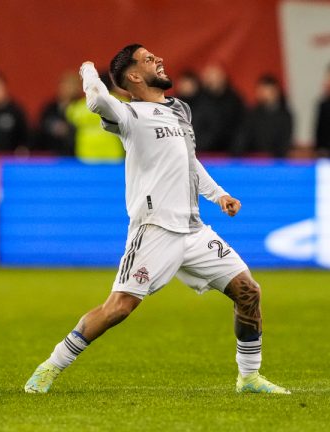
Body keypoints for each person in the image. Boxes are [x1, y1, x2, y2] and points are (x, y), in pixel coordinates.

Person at [24, 44, 290, 395]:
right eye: (149, 59)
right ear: (134, 76)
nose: (159, 60)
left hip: (193, 230)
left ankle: (249, 377)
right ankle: (50, 367)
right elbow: (97, 101)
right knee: (118, 308)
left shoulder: (180, 110)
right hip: (155, 230)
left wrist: (219, 195)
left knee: (249, 291)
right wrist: (89, 69)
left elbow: (189, 161)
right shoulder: (131, 116)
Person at [65, 71, 125, 162]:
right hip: (112, 150)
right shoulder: (120, 102)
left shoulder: (80, 105)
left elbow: (70, 117)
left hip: (86, 152)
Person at [234, 74, 293, 158]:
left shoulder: (285, 116)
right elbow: (243, 139)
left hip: (275, 163)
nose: (264, 94)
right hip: (253, 161)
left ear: (276, 92)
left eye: (267, 91)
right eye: (261, 91)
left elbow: (284, 144)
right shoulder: (251, 114)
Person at [194, 64, 244, 153]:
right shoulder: (198, 101)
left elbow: (242, 127)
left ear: (223, 78)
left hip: (231, 153)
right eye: (210, 78)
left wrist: (237, 149)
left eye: (216, 77)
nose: (214, 81)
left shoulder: (234, 100)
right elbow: (196, 127)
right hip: (205, 153)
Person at [35, 72, 80, 155]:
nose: (67, 88)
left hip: (76, 158)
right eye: (65, 84)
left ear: (78, 87)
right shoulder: (49, 109)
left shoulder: (84, 108)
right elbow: (39, 130)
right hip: (52, 157)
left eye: (71, 84)